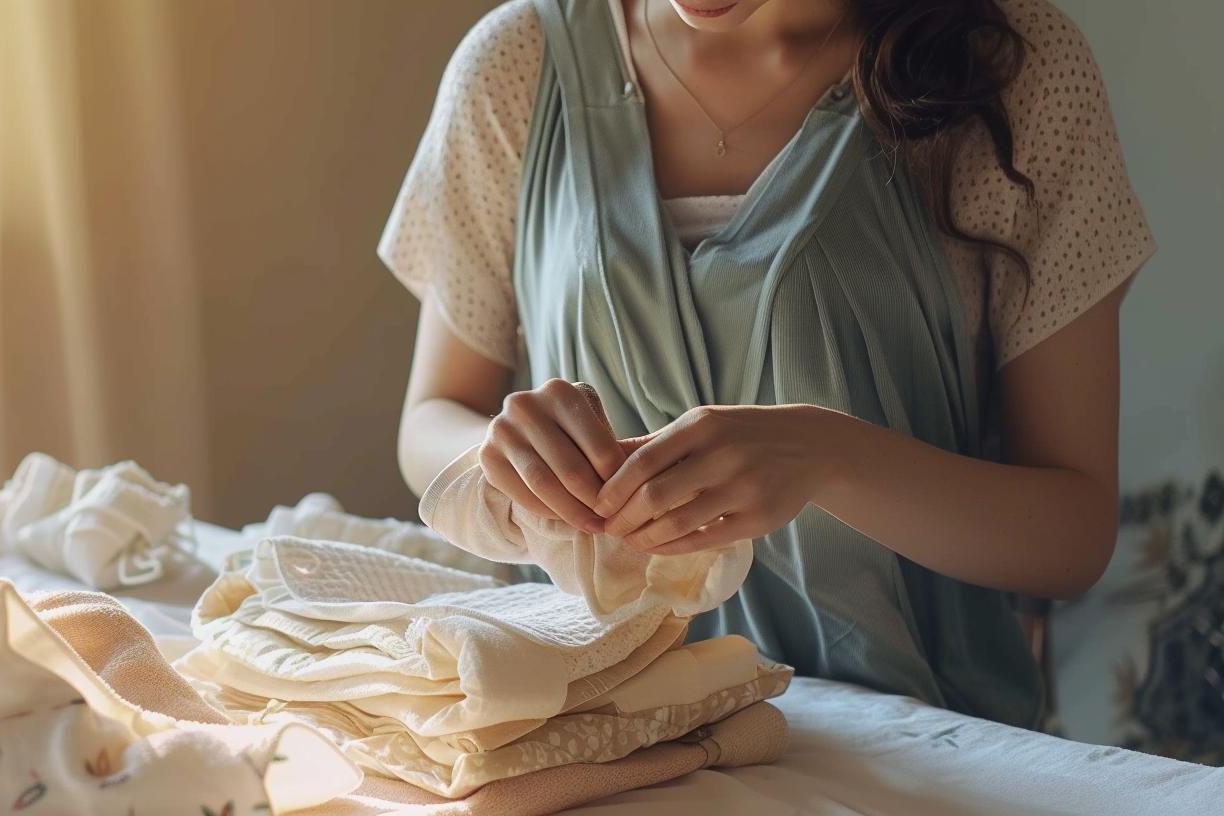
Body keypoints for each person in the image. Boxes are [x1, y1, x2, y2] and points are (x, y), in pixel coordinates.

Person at [381, 0, 1154, 728]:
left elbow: (1072, 537)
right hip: (585, 726)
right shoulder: (520, 61)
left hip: (909, 748)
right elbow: (431, 419)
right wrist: (501, 459)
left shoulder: (1013, 67)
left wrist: (833, 458)